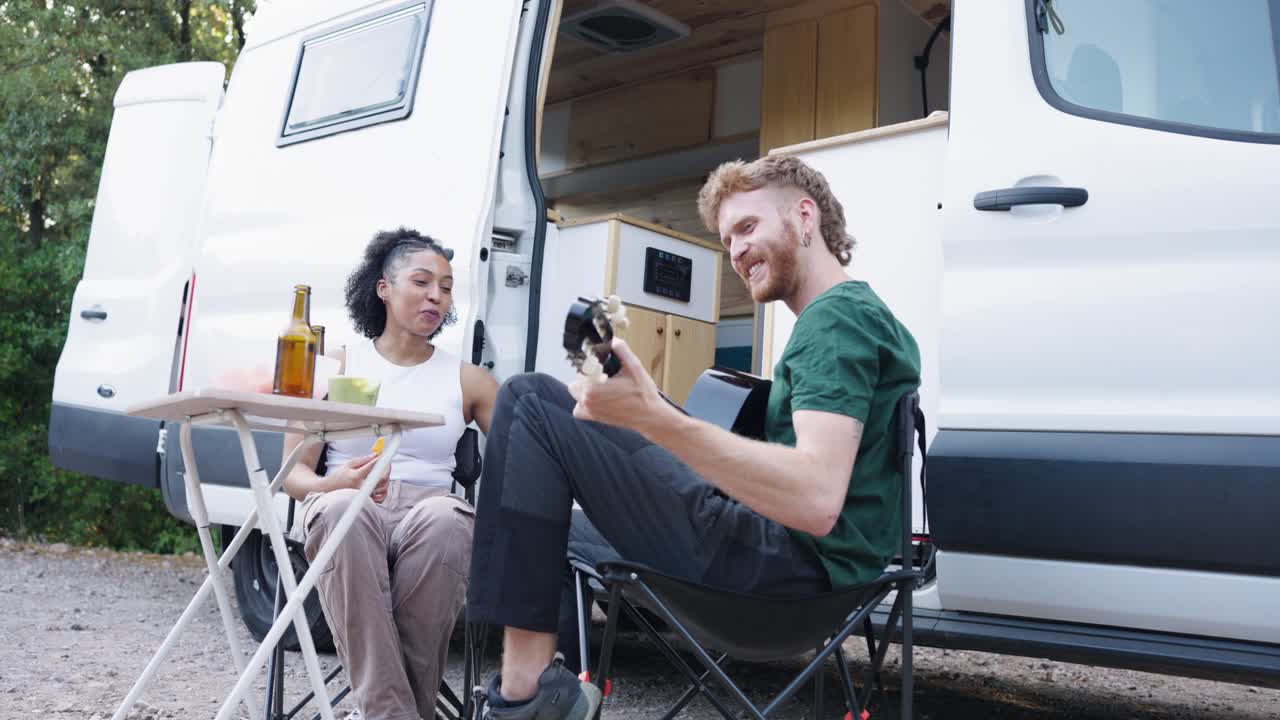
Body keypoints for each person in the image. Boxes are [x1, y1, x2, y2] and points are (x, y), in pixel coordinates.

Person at [466, 155, 921, 720]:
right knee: (548, 515)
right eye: (728, 238)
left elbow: (815, 497)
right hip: (816, 588)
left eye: (748, 227)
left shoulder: (836, 321)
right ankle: (550, 688)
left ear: (806, 217)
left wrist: (656, 421)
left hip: (778, 578)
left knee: (530, 402)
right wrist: (647, 410)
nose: (735, 251)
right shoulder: (859, 318)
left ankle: (523, 698)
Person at [283, 228, 498, 720]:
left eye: (445, 287)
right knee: (343, 510)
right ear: (383, 287)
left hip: (427, 513)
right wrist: (331, 484)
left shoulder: (465, 378)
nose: (435, 296)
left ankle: (378, 712)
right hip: (344, 504)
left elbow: (528, 442)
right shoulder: (336, 364)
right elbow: (293, 476)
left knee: (448, 518)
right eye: (422, 282)